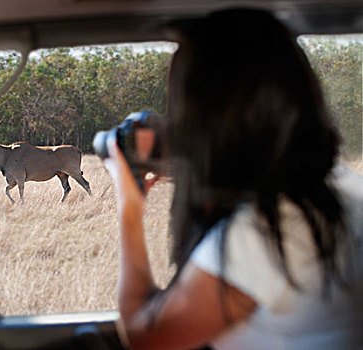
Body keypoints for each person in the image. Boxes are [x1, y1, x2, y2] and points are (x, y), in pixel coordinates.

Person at [104, 9, 363, 350]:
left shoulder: (266, 230)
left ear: (208, 117)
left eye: (180, 106)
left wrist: (129, 211)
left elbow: (143, 335)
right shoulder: (336, 188)